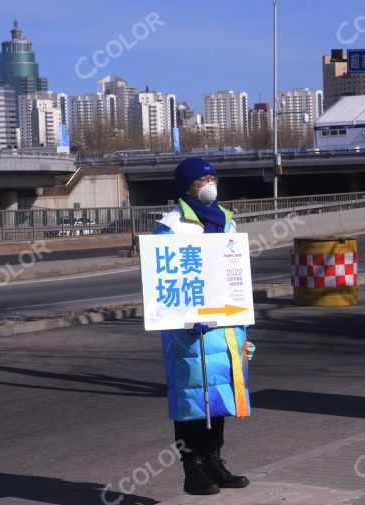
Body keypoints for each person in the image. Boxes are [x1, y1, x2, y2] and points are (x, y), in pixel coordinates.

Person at [153, 157, 251, 496]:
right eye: (202, 178)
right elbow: (160, 279)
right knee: (191, 399)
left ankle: (214, 462)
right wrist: (184, 315)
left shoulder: (226, 220)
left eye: (212, 176)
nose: (209, 183)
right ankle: (192, 470)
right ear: (186, 186)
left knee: (218, 394)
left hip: (223, 325)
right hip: (187, 333)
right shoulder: (172, 225)